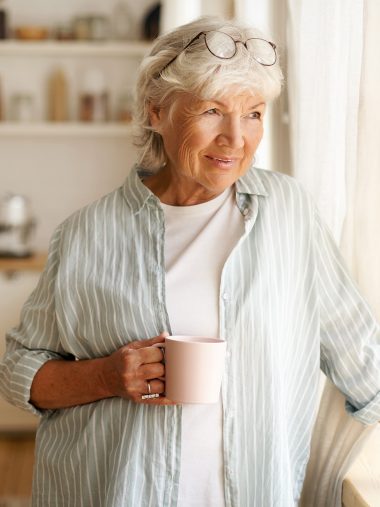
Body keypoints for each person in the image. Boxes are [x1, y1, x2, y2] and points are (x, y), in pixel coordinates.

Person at [0, 16, 379, 507]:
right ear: (156, 111)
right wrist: (108, 376)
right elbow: (18, 370)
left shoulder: (289, 213)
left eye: (254, 113)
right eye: (212, 110)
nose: (235, 138)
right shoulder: (85, 234)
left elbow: (362, 355)